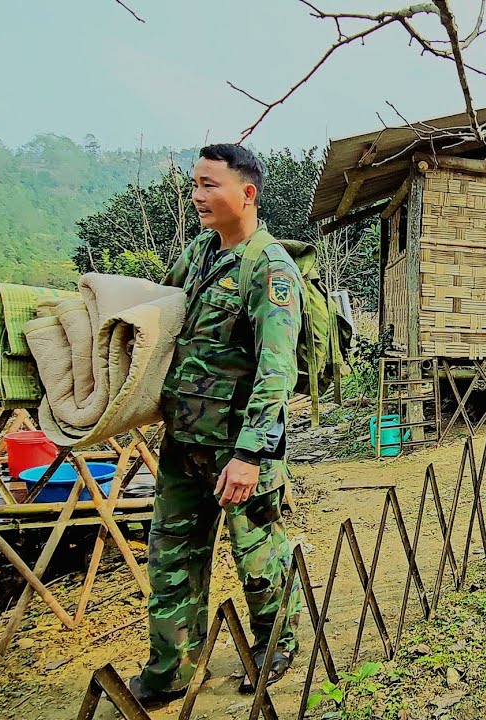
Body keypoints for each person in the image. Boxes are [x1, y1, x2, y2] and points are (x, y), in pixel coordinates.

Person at [129, 143, 304, 708]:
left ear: (246, 193)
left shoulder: (269, 267)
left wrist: (250, 455)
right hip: (184, 441)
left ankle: (276, 646)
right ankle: (171, 668)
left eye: (209, 185)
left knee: (256, 556)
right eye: (195, 185)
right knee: (171, 556)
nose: (197, 196)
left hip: (238, 446)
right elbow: (162, 325)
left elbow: (277, 369)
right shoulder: (197, 254)